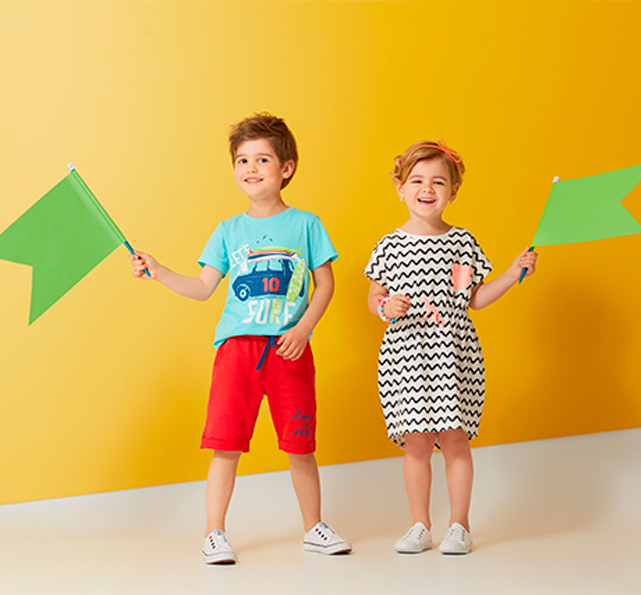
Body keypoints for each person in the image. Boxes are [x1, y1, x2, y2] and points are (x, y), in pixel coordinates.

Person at [130, 112, 351, 564]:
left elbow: (325, 284)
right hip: (237, 351)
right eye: (242, 160)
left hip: (290, 349)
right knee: (226, 445)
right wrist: (160, 271)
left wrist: (303, 328)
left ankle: (314, 527)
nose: (251, 168)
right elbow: (202, 287)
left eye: (262, 159)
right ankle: (214, 532)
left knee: (301, 446)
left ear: (286, 168)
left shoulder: (306, 224)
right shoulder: (228, 231)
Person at [364, 139, 537, 555]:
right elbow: (374, 297)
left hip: (454, 355)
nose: (427, 189)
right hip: (407, 357)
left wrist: (513, 273)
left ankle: (460, 525)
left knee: (456, 439)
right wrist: (386, 306)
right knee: (417, 443)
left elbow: (474, 297)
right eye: (417, 180)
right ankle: (420, 525)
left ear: (453, 191)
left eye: (438, 182)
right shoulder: (389, 246)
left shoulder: (462, 243)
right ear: (400, 187)